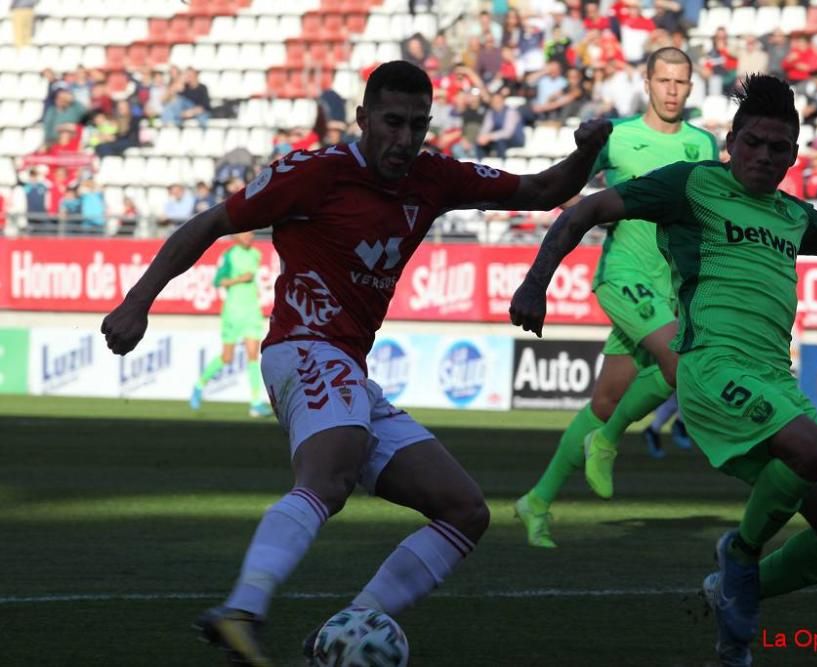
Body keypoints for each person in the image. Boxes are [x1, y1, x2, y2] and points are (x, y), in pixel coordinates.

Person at [100, 60, 611, 667]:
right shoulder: (314, 173)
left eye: (417, 125)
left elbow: (540, 191)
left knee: (464, 511)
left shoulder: (433, 177)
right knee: (327, 479)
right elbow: (211, 223)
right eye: (392, 123)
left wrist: (588, 151)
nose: (404, 139)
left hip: (350, 369)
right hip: (303, 347)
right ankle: (241, 611)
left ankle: (349, 627)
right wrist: (139, 301)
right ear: (364, 118)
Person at [508, 74, 817, 666]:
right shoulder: (694, 185)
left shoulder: (792, 214)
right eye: (753, 143)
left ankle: (731, 598)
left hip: (774, 379)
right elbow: (591, 206)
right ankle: (739, 555)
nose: (764, 155)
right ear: (731, 142)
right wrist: (537, 281)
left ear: (794, 155)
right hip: (713, 367)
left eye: (779, 147)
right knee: (809, 450)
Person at [514, 47, 717, 549]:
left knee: (605, 402)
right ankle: (605, 443)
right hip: (622, 277)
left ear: (690, 88)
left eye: (681, 83)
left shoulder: (704, 145)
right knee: (677, 365)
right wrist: (585, 148)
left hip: (666, 291)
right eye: (663, 81)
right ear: (647, 83)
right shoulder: (619, 137)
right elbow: (568, 181)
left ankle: (536, 500)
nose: (672, 90)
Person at [189, 231, 271, 417]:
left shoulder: (256, 254)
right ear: (236, 236)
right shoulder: (229, 256)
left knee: (253, 355)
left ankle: (256, 403)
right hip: (233, 312)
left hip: (251, 311)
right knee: (227, 357)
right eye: (245, 233)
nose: (249, 236)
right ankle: (199, 385)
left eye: (251, 233)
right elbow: (218, 281)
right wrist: (238, 280)